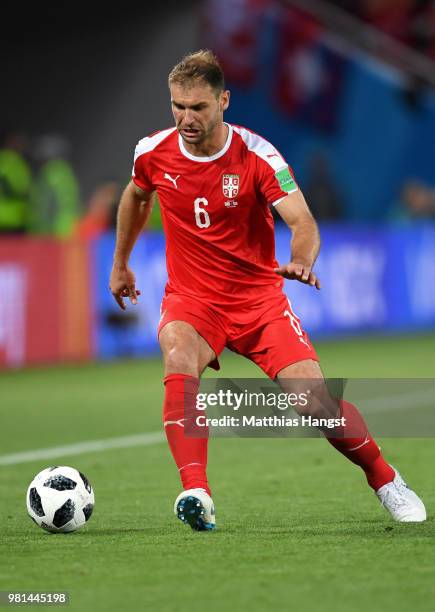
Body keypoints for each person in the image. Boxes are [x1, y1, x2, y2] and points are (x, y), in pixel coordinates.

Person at [110, 50, 426, 531]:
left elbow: (302, 221)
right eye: (178, 106)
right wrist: (121, 263)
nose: (186, 117)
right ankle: (196, 490)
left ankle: (386, 479)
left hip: (259, 304)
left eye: (198, 107)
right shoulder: (152, 151)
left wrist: (301, 260)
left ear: (224, 101)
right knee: (177, 355)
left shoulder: (259, 156)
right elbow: (136, 195)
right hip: (194, 301)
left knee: (314, 403)